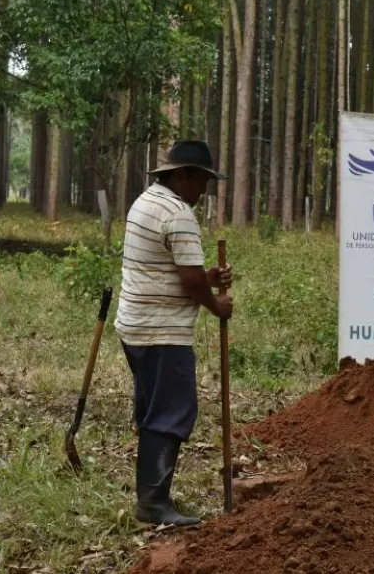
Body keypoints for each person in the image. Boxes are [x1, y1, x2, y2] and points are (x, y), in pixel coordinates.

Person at [115, 140, 233, 526]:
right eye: (201, 181)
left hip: (135, 326)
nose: (203, 191)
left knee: (155, 410)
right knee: (171, 411)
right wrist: (216, 306)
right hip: (162, 332)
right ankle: (153, 505)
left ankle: (152, 496)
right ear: (182, 176)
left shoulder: (145, 201)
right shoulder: (179, 213)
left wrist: (206, 277)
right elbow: (189, 280)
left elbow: (173, 271)